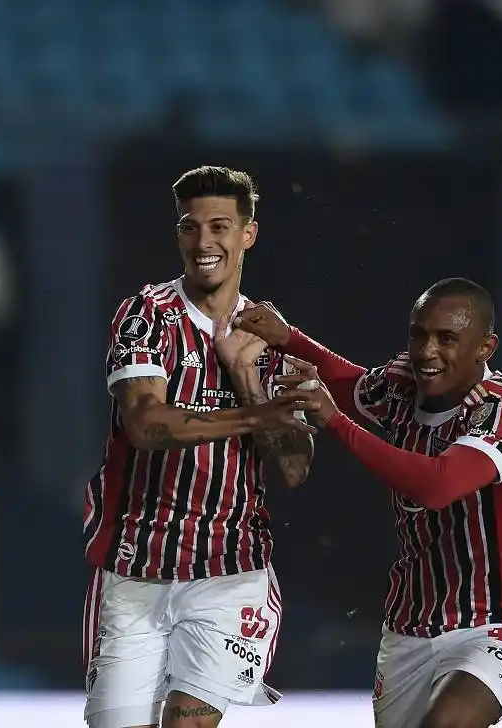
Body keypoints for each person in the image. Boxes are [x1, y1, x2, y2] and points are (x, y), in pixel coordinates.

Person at [235, 277, 502, 728]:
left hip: (500, 622)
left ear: (486, 347)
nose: (427, 351)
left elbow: (437, 485)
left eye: (447, 338)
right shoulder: (404, 381)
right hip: (410, 625)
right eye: (418, 333)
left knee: (446, 723)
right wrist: (289, 338)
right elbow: (354, 387)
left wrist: (334, 422)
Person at [82, 166, 316, 728]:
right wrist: (255, 414)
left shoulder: (269, 334)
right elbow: (146, 425)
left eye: (219, 226)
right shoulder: (147, 316)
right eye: (190, 227)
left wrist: (248, 375)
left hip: (229, 569)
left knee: (189, 722)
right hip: (135, 565)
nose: (204, 242)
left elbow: (293, 467)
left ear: (248, 234)